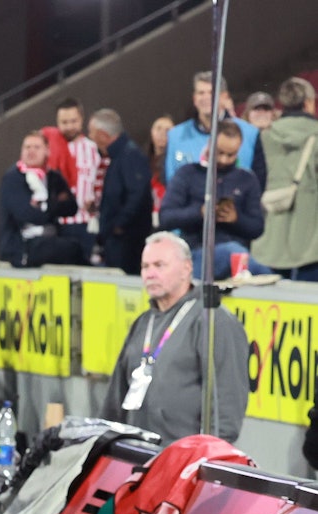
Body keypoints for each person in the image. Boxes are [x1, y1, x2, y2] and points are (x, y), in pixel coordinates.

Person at [100, 231, 249, 444]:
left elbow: (227, 406)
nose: (150, 274)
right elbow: (115, 400)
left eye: (159, 265)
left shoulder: (212, 321)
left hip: (183, 462)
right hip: (136, 457)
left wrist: (204, 459)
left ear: (186, 268)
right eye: (145, 266)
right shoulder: (143, 322)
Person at [159, 119, 273, 280]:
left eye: (231, 155)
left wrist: (236, 219)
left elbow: (257, 227)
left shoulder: (247, 180)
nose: (224, 159)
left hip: (237, 259)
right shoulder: (187, 174)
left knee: (234, 252)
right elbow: (166, 217)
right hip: (195, 253)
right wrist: (200, 213)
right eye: (220, 152)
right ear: (210, 144)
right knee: (232, 252)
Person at [252, 76, 318, 280]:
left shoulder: (265, 136)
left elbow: (258, 181)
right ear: (308, 102)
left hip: (272, 234)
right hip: (312, 237)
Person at [165, 71, 266, 189]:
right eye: (201, 93)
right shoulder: (175, 136)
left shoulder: (250, 134)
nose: (206, 97)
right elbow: (170, 184)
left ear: (224, 97)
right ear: (194, 98)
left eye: (212, 92)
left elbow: (258, 184)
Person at [0, 131, 83, 268]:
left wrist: (44, 206)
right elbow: (26, 214)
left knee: (79, 240)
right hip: (22, 247)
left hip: (51, 238)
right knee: (68, 248)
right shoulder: (12, 178)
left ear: (47, 151)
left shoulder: (54, 177)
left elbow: (72, 207)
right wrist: (55, 206)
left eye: (36, 147)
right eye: (27, 147)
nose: (31, 151)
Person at [88, 109, 153, 275]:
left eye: (92, 133)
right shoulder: (120, 156)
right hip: (118, 240)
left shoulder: (130, 156)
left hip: (126, 243)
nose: (90, 137)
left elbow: (137, 195)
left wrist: (119, 225)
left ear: (103, 135)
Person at [44, 97, 101, 262]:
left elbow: (102, 183)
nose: (69, 126)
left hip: (84, 223)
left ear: (82, 119)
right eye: (64, 122)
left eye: (73, 121)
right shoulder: (48, 150)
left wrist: (97, 204)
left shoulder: (93, 149)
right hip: (56, 224)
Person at [148, 114, 174, 219]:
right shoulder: (141, 161)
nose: (162, 133)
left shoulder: (177, 163)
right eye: (158, 128)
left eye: (168, 130)